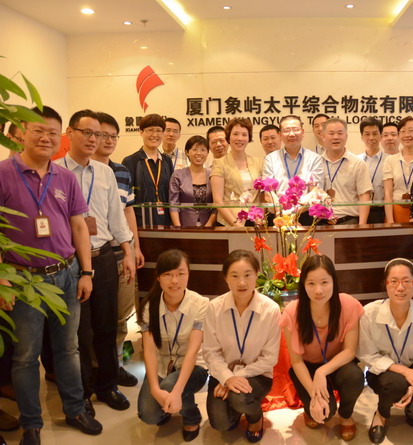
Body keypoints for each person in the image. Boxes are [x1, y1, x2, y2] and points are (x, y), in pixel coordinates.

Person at [0, 106, 102, 444]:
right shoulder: (3, 174)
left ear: (61, 137)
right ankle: (32, 423)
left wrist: (86, 272)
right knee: (25, 356)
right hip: (23, 280)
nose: (46, 138)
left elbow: (79, 227)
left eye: (52, 133)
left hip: (66, 274)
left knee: (68, 349)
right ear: (20, 133)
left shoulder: (65, 177)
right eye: (38, 131)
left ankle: (74, 409)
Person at [57, 109, 135, 414]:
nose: (94, 139)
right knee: (78, 333)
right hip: (70, 262)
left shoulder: (105, 173)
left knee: (106, 326)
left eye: (99, 134)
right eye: (87, 132)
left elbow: (117, 217)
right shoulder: (56, 172)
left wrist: (127, 252)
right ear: (70, 133)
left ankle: (107, 386)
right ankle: (83, 394)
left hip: (103, 258)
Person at [280, 255, 364, 441]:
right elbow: (296, 361)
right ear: (303, 285)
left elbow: (350, 351)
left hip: (337, 364)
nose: (318, 290)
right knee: (325, 414)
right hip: (307, 368)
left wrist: (322, 372)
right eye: (311, 283)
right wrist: (314, 394)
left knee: (355, 377)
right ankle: (310, 408)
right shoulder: (293, 311)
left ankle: (346, 415)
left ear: (334, 281)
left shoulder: (348, 305)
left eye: (324, 282)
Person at [357, 258, 413, 444]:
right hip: (383, 374)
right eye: (394, 281)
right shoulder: (369, 313)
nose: (400, 288)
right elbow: (367, 354)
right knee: (395, 384)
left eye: (406, 281)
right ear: (386, 284)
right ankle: (381, 414)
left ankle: (410, 407)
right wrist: (403, 371)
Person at [203, 250, 281, 443]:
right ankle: (239, 406)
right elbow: (211, 353)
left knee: (239, 398)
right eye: (235, 276)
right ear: (225, 278)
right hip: (223, 373)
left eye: (247, 275)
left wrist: (235, 378)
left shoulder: (271, 310)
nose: (242, 283)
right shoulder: (214, 307)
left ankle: (255, 417)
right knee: (221, 423)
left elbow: (270, 358)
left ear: (257, 275)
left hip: (257, 375)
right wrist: (227, 377)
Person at [93, 111, 144, 387]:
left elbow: (128, 211)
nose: (109, 140)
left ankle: (116, 365)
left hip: (121, 253)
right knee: (96, 319)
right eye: (103, 135)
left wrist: (134, 248)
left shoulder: (121, 171)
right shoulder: (79, 172)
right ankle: (95, 369)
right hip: (95, 256)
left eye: (114, 136)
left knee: (122, 315)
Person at [136, 249, 209, 442]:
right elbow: (149, 351)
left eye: (180, 274)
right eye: (168, 274)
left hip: (194, 366)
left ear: (188, 274)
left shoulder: (201, 304)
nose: (174, 281)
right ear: (158, 277)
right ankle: (168, 405)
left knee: (170, 387)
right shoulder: (149, 306)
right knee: (148, 414)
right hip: (162, 365)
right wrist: (154, 389)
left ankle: (191, 417)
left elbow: (192, 352)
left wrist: (175, 392)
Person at [122, 114, 174, 226]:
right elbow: (126, 198)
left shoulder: (167, 161)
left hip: (165, 220)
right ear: (141, 132)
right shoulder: (131, 161)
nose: (155, 135)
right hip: (140, 221)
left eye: (159, 131)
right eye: (150, 130)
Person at [211, 118, 263, 227]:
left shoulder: (258, 162)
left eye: (244, 134)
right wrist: (235, 224)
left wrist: (260, 217)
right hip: (229, 223)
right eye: (235, 134)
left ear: (249, 138)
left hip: (255, 221)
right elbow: (218, 201)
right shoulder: (219, 163)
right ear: (228, 137)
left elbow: (261, 195)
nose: (240, 138)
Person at [321, 118, 372, 225]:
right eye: (331, 133)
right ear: (323, 136)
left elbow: (364, 196)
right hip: (320, 223)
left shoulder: (358, 164)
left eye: (340, 133)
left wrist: (362, 225)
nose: (336, 137)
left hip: (348, 222)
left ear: (346, 136)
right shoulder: (316, 163)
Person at [262, 115, 325, 199]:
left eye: (295, 130)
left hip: (306, 206)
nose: (291, 134)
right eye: (286, 130)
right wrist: (280, 206)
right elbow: (268, 192)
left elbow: (315, 191)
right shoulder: (270, 159)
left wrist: (300, 206)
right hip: (278, 206)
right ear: (280, 135)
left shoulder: (315, 158)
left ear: (302, 132)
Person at [383, 117, 413, 223]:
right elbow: (388, 193)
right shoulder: (390, 160)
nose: (407, 135)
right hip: (396, 211)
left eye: (411, 130)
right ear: (399, 135)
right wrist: (390, 220)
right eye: (402, 131)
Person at [169, 135, 215, 228]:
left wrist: (209, 225)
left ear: (207, 152)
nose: (199, 153)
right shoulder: (178, 175)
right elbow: (173, 205)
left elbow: (217, 205)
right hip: (184, 225)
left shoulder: (213, 175)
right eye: (194, 149)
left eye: (203, 150)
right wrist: (178, 228)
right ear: (187, 152)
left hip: (209, 226)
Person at [358, 118, 387, 223]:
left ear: (381, 136)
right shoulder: (356, 161)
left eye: (375, 133)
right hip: (359, 211)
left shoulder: (389, 160)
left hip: (381, 210)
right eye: (367, 134)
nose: (371, 138)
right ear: (362, 137)